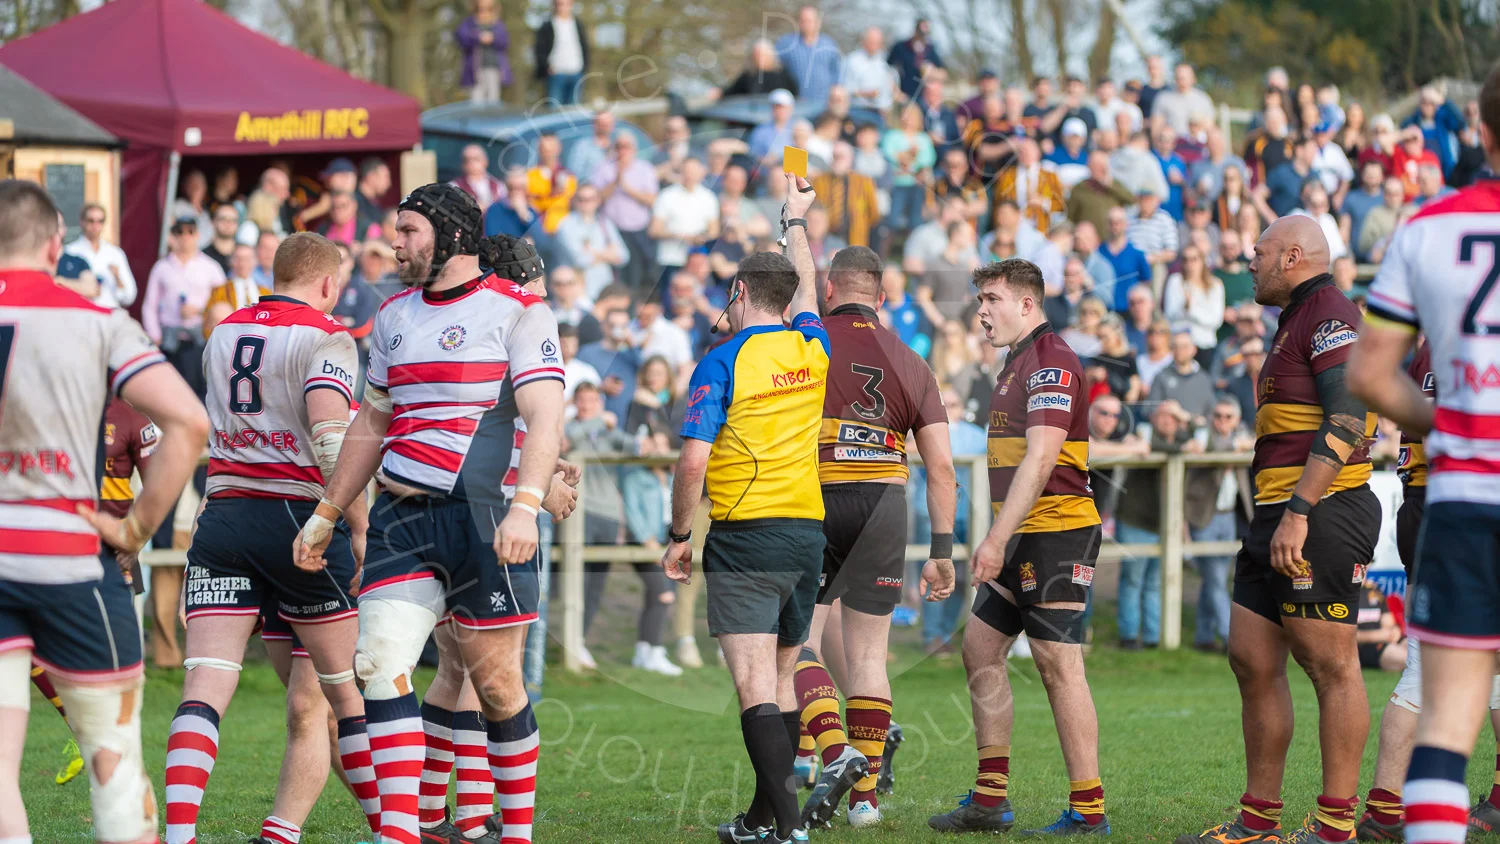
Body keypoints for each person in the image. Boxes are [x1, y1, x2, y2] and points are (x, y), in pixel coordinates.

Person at [296, 184, 564, 844]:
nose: (396, 242)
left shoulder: (520, 312)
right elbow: (371, 421)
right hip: (402, 517)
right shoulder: (391, 315)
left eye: (409, 230)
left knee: (497, 686)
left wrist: (527, 508)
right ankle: (400, 833)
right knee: (376, 664)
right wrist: (328, 511)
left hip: (484, 519)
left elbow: (546, 416)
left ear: (449, 237)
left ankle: (515, 835)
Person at [0, 179, 208, 844]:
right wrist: (136, 527)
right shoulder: (97, 320)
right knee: (114, 770)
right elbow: (188, 423)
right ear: (57, 242)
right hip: (68, 558)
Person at [162, 233, 376, 844]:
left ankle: (180, 835)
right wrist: (357, 524)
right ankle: (394, 830)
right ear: (329, 283)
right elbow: (334, 438)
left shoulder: (223, 331)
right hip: (297, 517)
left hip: (224, 515)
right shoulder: (327, 335)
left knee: (205, 683)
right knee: (344, 697)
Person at [1177, 215, 1379, 844]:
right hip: (1275, 513)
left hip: (1318, 512)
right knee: (1250, 657)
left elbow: (1349, 415)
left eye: (1258, 253)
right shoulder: (1295, 316)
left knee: (1330, 666)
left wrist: (1299, 510)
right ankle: (1258, 822)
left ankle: (1336, 827)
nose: (1248, 262)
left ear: (1293, 256)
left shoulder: (1330, 313)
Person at [1348, 67, 1500, 844]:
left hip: (1466, 497)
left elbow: (1369, 374)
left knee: (1448, 714)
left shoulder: (1427, 224)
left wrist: (1449, 427)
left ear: (1479, 129)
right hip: (1451, 494)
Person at [661, 173, 828, 844]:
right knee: (782, 679)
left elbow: (693, 461)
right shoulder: (813, 347)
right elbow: (809, 290)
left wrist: (678, 533)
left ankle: (789, 828)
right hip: (806, 536)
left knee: (755, 683)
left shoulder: (721, 361)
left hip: (746, 535)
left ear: (736, 294)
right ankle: (762, 817)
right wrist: (797, 224)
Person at [928, 257, 1107, 836]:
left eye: (992, 299)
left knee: (1058, 663)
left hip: (1057, 530)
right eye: (980, 299)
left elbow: (1042, 456)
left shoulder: (1051, 359)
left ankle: (1088, 809)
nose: (981, 311)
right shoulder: (1014, 363)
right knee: (980, 649)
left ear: (1027, 304)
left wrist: (995, 538)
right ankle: (991, 799)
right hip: (1027, 531)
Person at [793, 245, 956, 830]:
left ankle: (833, 754)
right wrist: (942, 551)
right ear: (882, 298)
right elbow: (941, 468)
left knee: (797, 647)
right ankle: (865, 799)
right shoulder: (913, 360)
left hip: (816, 495)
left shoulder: (808, 342)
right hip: (886, 503)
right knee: (869, 657)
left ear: (829, 291)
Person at [1184, 396, 1254, 653]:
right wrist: (1235, 446)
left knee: (1215, 578)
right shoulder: (1203, 437)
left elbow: (1259, 444)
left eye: (1228, 417)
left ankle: (1203, 635)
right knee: (1215, 579)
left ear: (1236, 420)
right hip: (1204, 515)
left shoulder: (1243, 437)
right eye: (1218, 416)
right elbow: (1197, 448)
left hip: (1229, 515)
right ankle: (1229, 637)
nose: (1221, 421)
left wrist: (1241, 444)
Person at [143, 216, 226, 397]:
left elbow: (223, 303)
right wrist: (154, 335)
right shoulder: (162, 267)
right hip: (170, 337)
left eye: (190, 232)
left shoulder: (211, 267)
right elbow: (150, 304)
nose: (185, 237)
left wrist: (200, 310)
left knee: (202, 391)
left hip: (200, 336)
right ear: (174, 236)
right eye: (180, 232)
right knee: (171, 393)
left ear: (197, 235)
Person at [591, 132, 659, 291]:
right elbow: (597, 198)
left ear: (634, 149)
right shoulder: (604, 167)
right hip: (611, 230)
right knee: (616, 275)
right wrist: (615, 180)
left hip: (637, 230)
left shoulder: (644, 168)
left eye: (626, 147)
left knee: (636, 274)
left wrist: (627, 188)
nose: (622, 151)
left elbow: (652, 199)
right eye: (619, 147)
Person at [649, 158, 719, 284]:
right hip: (671, 259)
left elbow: (714, 231)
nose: (690, 175)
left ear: (701, 173)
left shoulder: (708, 197)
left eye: (693, 171)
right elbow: (654, 230)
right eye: (687, 171)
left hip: (697, 261)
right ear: (681, 172)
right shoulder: (667, 195)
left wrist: (700, 237)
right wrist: (680, 236)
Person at [554, 183, 629, 300]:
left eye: (590, 199)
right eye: (581, 199)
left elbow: (624, 256)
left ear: (597, 201)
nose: (585, 203)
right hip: (577, 292)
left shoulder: (605, 223)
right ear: (575, 201)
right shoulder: (565, 225)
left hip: (604, 290)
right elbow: (580, 260)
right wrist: (609, 253)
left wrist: (592, 251)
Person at [64, 203, 136, 308]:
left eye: (100, 221)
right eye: (91, 221)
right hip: (82, 315)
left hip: (110, 314)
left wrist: (117, 277)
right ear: (82, 222)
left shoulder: (115, 253)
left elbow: (129, 296)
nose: (95, 226)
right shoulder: (70, 252)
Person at [1162, 243, 1225, 361]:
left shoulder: (1215, 285)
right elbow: (1169, 315)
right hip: (1179, 345)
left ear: (1202, 261)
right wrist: (1184, 308)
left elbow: (1216, 320)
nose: (1189, 264)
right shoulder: (1175, 281)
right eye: (1185, 260)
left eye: (1194, 259)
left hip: (1204, 344)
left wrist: (1191, 310)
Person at [813, 142, 882, 249]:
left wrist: (860, 223)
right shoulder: (820, 181)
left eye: (841, 157)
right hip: (827, 237)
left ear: (850, 159)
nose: (836, 160)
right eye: (834, 157)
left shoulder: (864, 182)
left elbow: (873, 213)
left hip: (855, 237)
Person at [882, 105, 937, 234]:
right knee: (893, 220)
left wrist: (904, 157)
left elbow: (928, 159)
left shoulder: (923, 138)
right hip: (896, 183)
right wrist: (909, 156)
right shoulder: (892, 135)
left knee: (916, 221)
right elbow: (888, 154)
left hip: (917, 184)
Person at [774, 5, 842, 107]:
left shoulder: (829, 44)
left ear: (818, 22)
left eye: (810, 21)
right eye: (803, 21)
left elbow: (836, 72)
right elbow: (773, 66)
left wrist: (836, 91)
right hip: (795, 104)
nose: (806, 24)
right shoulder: (786, 43)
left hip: (824, 104)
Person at [533, 0, 589, 105]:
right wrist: (546, 66)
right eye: (560, 4)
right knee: (554, 110)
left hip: (576, 72)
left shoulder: (578, 24)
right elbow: (539, 49)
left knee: (574, 112)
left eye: (566, 4)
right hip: (556, 73)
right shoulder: (547, 25)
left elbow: (585, 48)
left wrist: (584, 68)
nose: (563, 7)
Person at [1098, 207, 1153, 313]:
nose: (1115, 226)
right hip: (1104, 309)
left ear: (1126, 224)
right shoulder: (1099, 253)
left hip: (1129, 311)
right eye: (1111, 222)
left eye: (1119, 222)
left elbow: (1146, 282)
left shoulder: (1137, 255)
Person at [456, 0, 511, 104]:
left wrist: (493, 38)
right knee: (476, 101)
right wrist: (477, 37)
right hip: (474, 70)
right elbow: (461, 37)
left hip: (494, 68)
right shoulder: (469, 23)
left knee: (493, 100)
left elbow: (505, 41)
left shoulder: (498, 24)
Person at [527, 134, 577, 235]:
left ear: (558, 149)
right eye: (544, 149)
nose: (548, 153)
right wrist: (554, 194)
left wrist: (543, 198)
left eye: (551, 149)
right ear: (539, 150)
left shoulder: (569, 177)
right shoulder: (530, 176)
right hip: (538, 231)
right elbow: (532, 206)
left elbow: (568, 204)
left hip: (563, 230)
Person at [719, 39, 800, 99]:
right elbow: (733, 91)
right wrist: (719, 93)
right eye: (757, 56)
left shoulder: (781, 75)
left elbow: (794, 95)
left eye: (763, 55)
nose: (759, 59)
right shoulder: (749, 75)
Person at [886, 18, 942, 102]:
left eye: (925, 33)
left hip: (923, 99)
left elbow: (943, 73)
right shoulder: (901, 47)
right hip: (903, 97)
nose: (923, 36)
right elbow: (887, 70)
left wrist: (930, 73)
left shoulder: (930, 49)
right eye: (921, 32)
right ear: (915, 30)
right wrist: (895, 91)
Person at [842, 27, 895, 111]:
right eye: (871, 42)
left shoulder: (885, 60)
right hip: (858, 109)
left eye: (877, 43)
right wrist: (865, 93)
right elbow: (845, 88)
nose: (874, 46)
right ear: (863, 41)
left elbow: (891, 85)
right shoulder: (851, 61)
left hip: (882, 110)